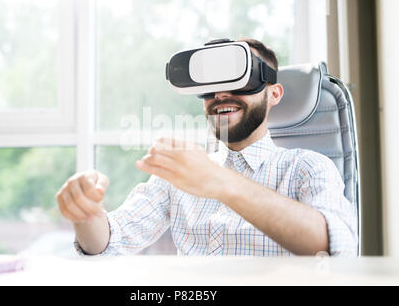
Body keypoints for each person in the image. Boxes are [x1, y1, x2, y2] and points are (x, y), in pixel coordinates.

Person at [56, 38, 358, 256]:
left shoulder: (307, 166)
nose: (222, 94)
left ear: (274, 94)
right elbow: (112, 242)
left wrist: (222, 183)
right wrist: (86, 214)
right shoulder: (181, 174)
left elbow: (337, 245)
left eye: (241, 79)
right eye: (212, 85)